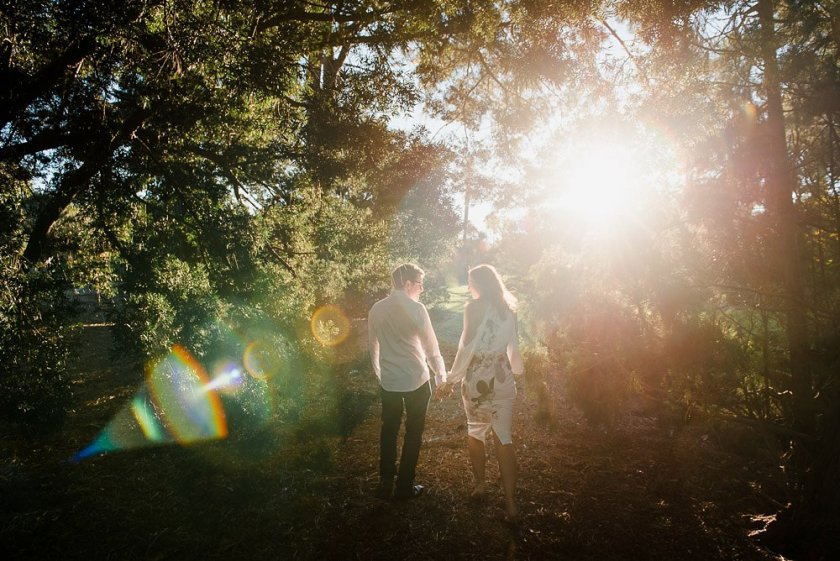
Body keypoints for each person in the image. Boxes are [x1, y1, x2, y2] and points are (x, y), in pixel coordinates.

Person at [436, 264, 524, 523]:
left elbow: (466, 347)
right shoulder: (509, 307)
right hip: (502, 378)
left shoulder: (473, 308)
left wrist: (451, 380)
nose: (468, 286)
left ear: (480, 284)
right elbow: (514, 346)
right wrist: (516, 370)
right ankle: (511, 505)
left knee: (476, 431)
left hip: (477, 379)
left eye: (470, 281)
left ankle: (480, 485)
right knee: (504, 437)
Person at [368, 263, 447, 500]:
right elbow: (432, 350)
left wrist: (381, 375)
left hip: (390, 382)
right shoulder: (417, 309)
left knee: (388, 431)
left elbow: (373, 348)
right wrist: (440, 376)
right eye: (420, 284)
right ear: (408, 284)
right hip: (416, 380)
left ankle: (385, 483)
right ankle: (404, 487)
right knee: (413, 433)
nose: (422, 290)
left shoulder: (376, 309)